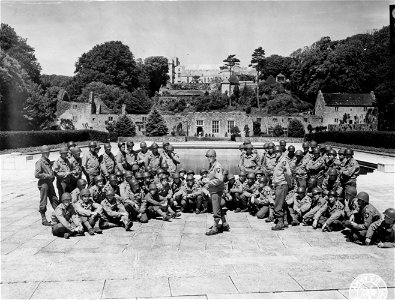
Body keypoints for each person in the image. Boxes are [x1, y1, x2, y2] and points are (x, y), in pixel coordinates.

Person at [205, 149, 229, 235]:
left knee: (216, 210)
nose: (209, 158)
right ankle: (225, 224)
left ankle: (215, 228)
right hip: (214, 190)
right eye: (208, 157)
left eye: (211, 157)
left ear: (215, 157)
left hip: (216, 191)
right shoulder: (212, 165)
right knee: (219, 207)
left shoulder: (217, 166)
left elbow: (220, 179)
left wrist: (208, 182)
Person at [35, 145, 59, 226]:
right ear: (42, 153)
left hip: (49, 183)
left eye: (48, 152)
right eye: (45, 152)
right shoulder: (40, 162)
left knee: (54, 199)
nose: (47, 154)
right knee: (43, 201)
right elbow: (37, 174)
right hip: (43, 184)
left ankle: (59, 215)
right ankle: (43, 218)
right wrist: (48, 176)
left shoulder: (48, 161)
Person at [271, 145, 292, 230]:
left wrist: (289, 184)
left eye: (277, 152)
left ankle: (280, 223)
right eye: (275, 152)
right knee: (281, 203)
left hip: (282, 184)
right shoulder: (278, 161)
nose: (276, 154)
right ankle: (283, 221)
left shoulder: (283, 161)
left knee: (278, 204)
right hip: (278, 185)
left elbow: (288, 174)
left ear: (281, 152)